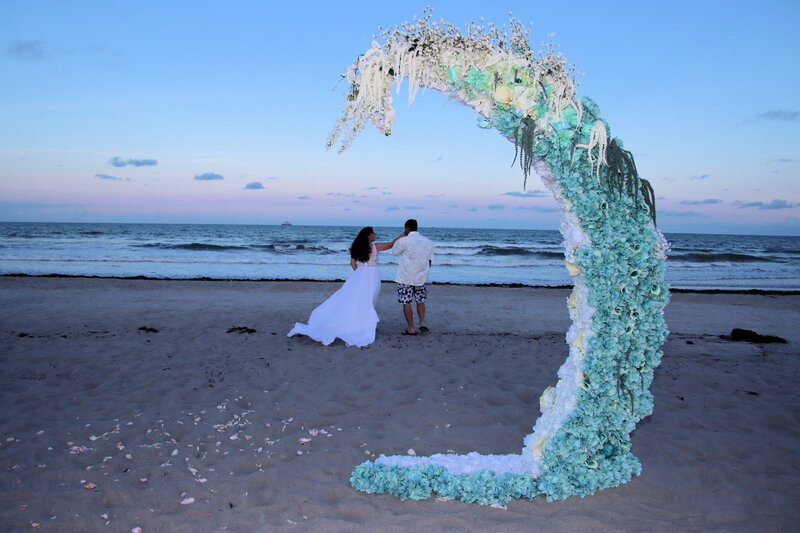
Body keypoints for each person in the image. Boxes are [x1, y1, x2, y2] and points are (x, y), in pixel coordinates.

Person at [287, 227, 404, 347]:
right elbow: (391, 244)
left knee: (359, 300)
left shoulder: (357, 247)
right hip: (373, 276)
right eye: (373, 233)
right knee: (369, 300)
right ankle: (363, 325)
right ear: (368, 235)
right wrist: (403, 234)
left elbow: (352, 263)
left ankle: (362, 323)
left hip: (360, 275)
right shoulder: (376, 246)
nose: (374, 235)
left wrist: (360, 274)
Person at [392, 219, 434, 335]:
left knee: (406, 302)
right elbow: (429, 261)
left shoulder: (404, 241)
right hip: (421, 277)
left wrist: (400, 237)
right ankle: (422, 323)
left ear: (406, 228)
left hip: (405, 277)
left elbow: (394, 252)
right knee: (420, 300)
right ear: (417, 227)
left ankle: (411, 328)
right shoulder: (428, 242)